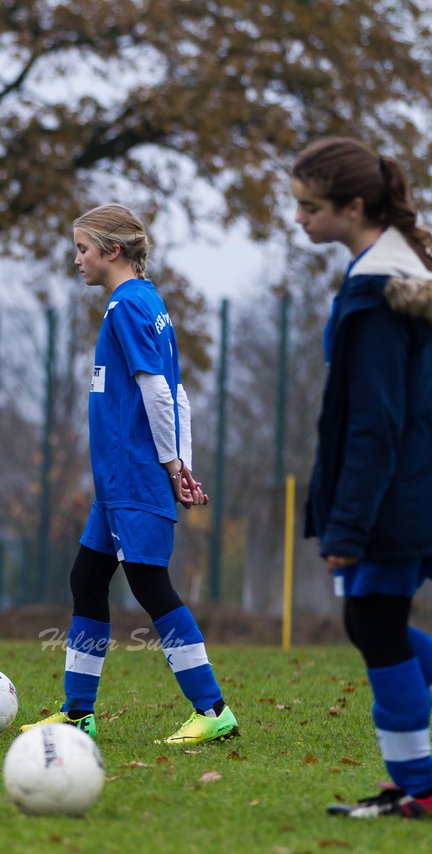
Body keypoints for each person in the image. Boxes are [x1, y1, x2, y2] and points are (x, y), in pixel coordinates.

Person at [19, 204, 239, 745]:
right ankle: (77, 714)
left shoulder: (125, 307)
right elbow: (179, 395)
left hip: (134, 475)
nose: (77, 261)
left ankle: (212, 709)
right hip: (119, 481)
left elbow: (160, 393)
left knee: (149, 584)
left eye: (82, 249)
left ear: (112, 251)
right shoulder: (149, 301)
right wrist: (182, 464)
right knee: (87, 580)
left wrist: (169, 466)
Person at [289, 137, 432, 819]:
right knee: (372, 620)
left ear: (353, 207)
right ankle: (419, 783)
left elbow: (375, 422)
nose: (298, 218)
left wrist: (347, 521)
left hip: (394, 493)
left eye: (309, 206)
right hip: (405, 489)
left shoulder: (379, 293)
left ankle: (420, 786)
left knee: (373, 622)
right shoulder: (391, 274)